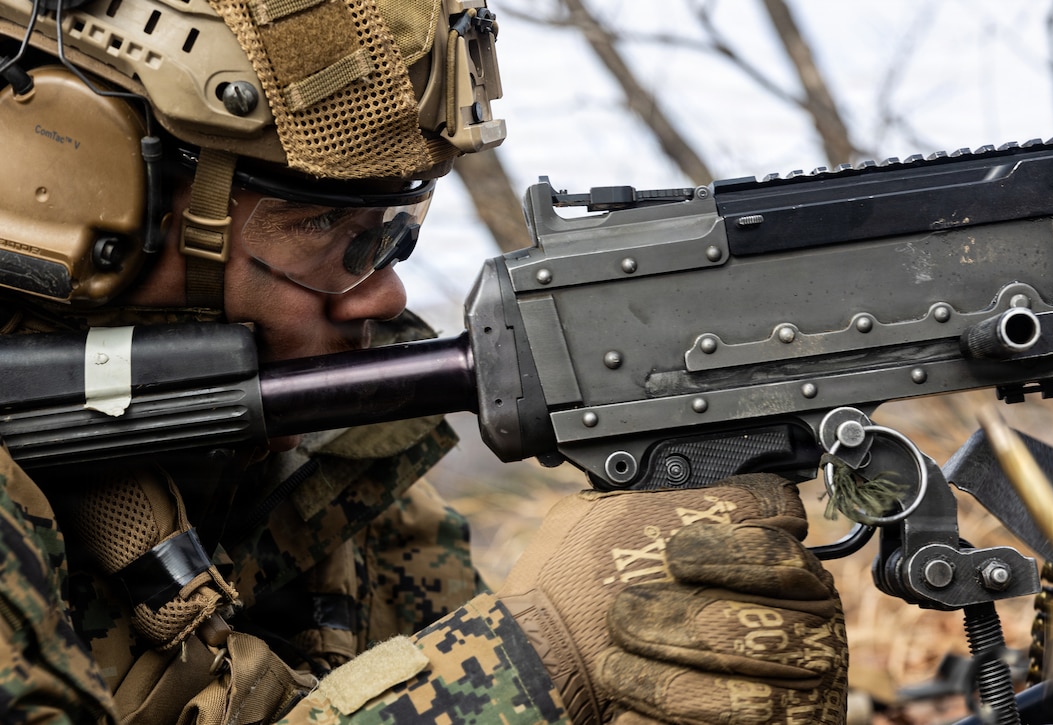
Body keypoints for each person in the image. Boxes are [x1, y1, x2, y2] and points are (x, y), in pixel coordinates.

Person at [0, 0, 848, 722]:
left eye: (394, 234)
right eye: (325, 229)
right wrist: (536, 658)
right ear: (77, 191)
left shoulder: (329, 482)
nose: (385, 295)